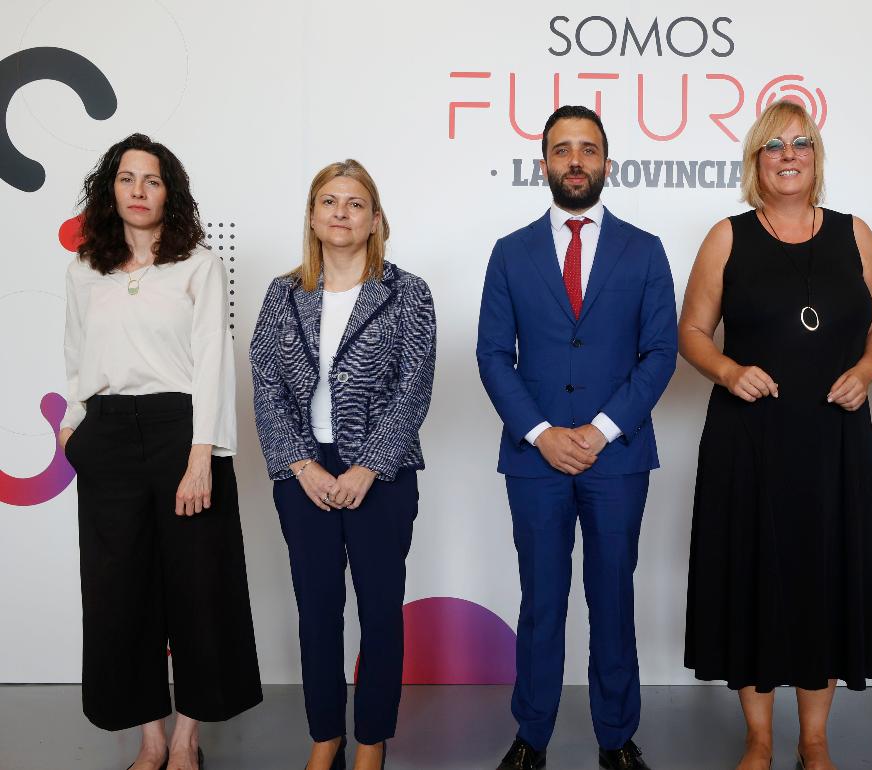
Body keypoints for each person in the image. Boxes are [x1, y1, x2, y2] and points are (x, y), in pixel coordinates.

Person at [679, 100, 872, 770]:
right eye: (774, 146)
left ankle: (814, 738)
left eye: (800, 143)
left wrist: (865, 369)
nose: (788, 155)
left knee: (823, 576)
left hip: (833, 440)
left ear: (816, 156)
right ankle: (760, 736)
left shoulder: (856, 234)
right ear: (756, 161)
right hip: (750, 440)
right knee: (751, 575)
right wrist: (727, 369)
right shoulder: (727, 236)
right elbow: (690, 331)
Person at [476, 105, 677, 770]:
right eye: (562, 150)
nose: (575, 161)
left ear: (606, 164)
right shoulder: (510, 253)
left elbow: (659, 354)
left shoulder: (644, 250)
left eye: (587, 149)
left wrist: (597, 429)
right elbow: (490, 355)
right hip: (535, 461)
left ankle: (616, 737)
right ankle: (530, 736)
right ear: (544, 166)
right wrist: (539, 433)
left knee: (613, 600)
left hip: (616, 458)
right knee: (541, 600)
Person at [60, 133, 262, 770]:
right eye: (127, 178)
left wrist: (203, 453)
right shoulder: (83, 269)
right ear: (110, 189)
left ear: (168, 193)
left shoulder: (198, 264)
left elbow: (211, 362)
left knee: (198, 587)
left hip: (184, 431)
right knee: (120, 592)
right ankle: (149, 738)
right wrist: (73, 426)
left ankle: (186, 739)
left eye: (152, 180)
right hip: (108, 435)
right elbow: (75, 357)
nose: (139, 191)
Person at [250, 159, 436, 770]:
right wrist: (302, 466)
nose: (340, 212)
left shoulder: (407, 293)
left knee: (381, 611)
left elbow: (415, 388)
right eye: (329, 201)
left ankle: (371, 740)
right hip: (303, 474)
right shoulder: (283, 294)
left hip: (380, 475)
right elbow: (267, 387)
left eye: (355, 203)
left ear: (376, 220)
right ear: (312, 215)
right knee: (318, 609)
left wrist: (367, 469)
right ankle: (325, 734)